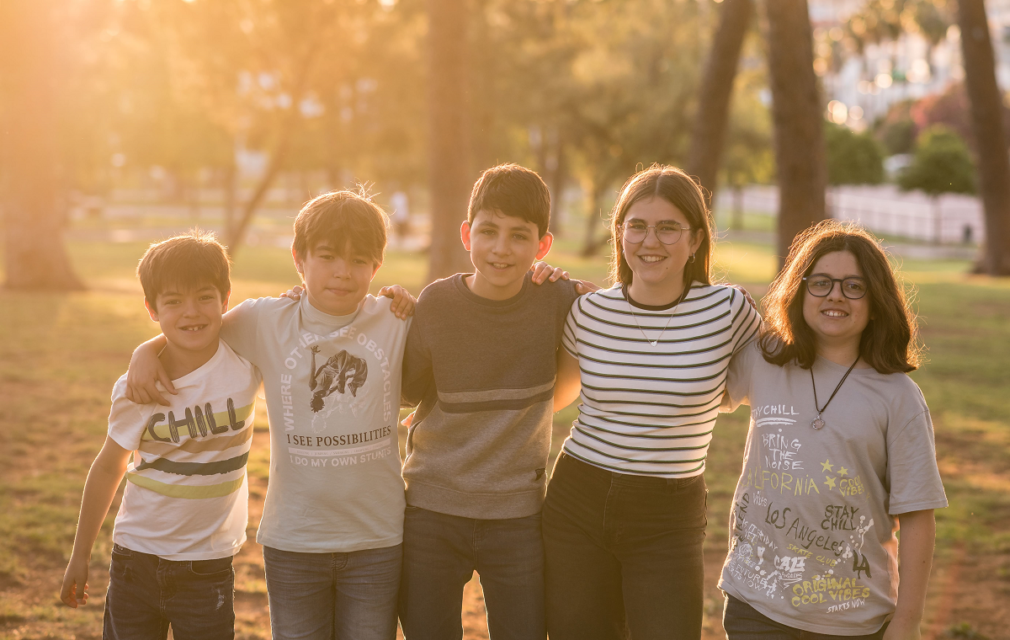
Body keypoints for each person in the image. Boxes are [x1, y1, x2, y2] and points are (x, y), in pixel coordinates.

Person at [124, 191, 416, 640]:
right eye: (327, 256)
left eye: (360, 260)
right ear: (299, 259)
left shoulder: (395, 321)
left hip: (376, 540)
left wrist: (407, 302)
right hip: (294, 540)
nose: (343, 270)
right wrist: (147, 350)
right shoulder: (266, 321)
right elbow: (198, 326)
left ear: (376, 267)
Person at [546, 165, 761, 640]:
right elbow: (554, 398)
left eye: (668, 228)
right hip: (577, 500)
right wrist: (534, 291)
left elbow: (770, 378)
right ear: (619, 233)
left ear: (697, 240)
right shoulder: (588, 311)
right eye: (637, 226)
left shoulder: (728, 310)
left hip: (667, 514)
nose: (650, 241)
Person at [718, 220, 947, 640]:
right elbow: (687, 377)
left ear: (876, 301)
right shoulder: (763, 360)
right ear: (800, 290)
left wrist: (908, 621)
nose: (835, 295)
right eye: (820, 282)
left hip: (852, 618)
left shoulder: (898, 397)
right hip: (756, 605)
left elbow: (916, 516)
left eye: (853, 286)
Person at [397, 163, 593, 640]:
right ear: (467, 234)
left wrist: (578, 290)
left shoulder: (558, 300)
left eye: (518, 236)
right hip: (432, 510)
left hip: (518, 516)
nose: (501, 249)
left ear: (542, 245)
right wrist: (393, 310)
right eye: (488, 231)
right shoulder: (437, 305)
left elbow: (575, 373)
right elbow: (406, 393)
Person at [60, 232, 262, 640]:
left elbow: (295, 319)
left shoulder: (245, 362)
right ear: (152, 309)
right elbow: (107, 468)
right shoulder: (138, 387)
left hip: (207, 568)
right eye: (173, 301)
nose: (192, 312)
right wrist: (79, 556)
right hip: (136, 561)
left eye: (205, 297)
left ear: (225, 300)